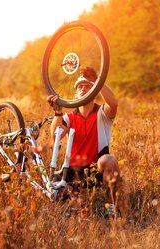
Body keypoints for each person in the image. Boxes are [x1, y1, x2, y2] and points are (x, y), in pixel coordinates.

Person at [47, 66, 120, 216]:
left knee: (109, 160)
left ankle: (111, 207)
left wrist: (96, 80)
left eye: (88, 87)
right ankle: (72, 200)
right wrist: (58, 112)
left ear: (94, 92)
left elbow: (113, 103)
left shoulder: (102, 113)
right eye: (80, 86)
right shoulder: (69, 117)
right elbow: (55, 137)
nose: (83, 89)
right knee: (51, 190)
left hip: (95, 171)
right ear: (75, 93)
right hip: (72, 171)